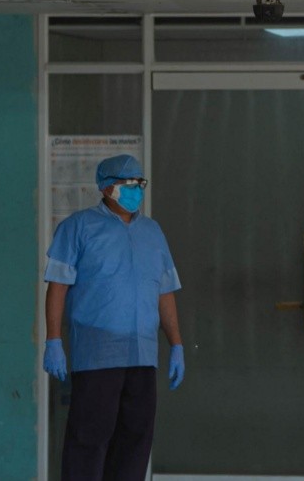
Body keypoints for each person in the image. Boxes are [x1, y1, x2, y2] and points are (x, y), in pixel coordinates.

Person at [42, 154, 185, 481]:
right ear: (106, 188)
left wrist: (176, 344)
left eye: (140, 183)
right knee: (89, 441)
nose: (136, 190)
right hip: (97, 355)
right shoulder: (78, 227)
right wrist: (53, 340)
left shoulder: (152, 232)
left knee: (135, 441)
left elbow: (165, 291)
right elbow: (58, 287)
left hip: (142, 354)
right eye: (128, 184)